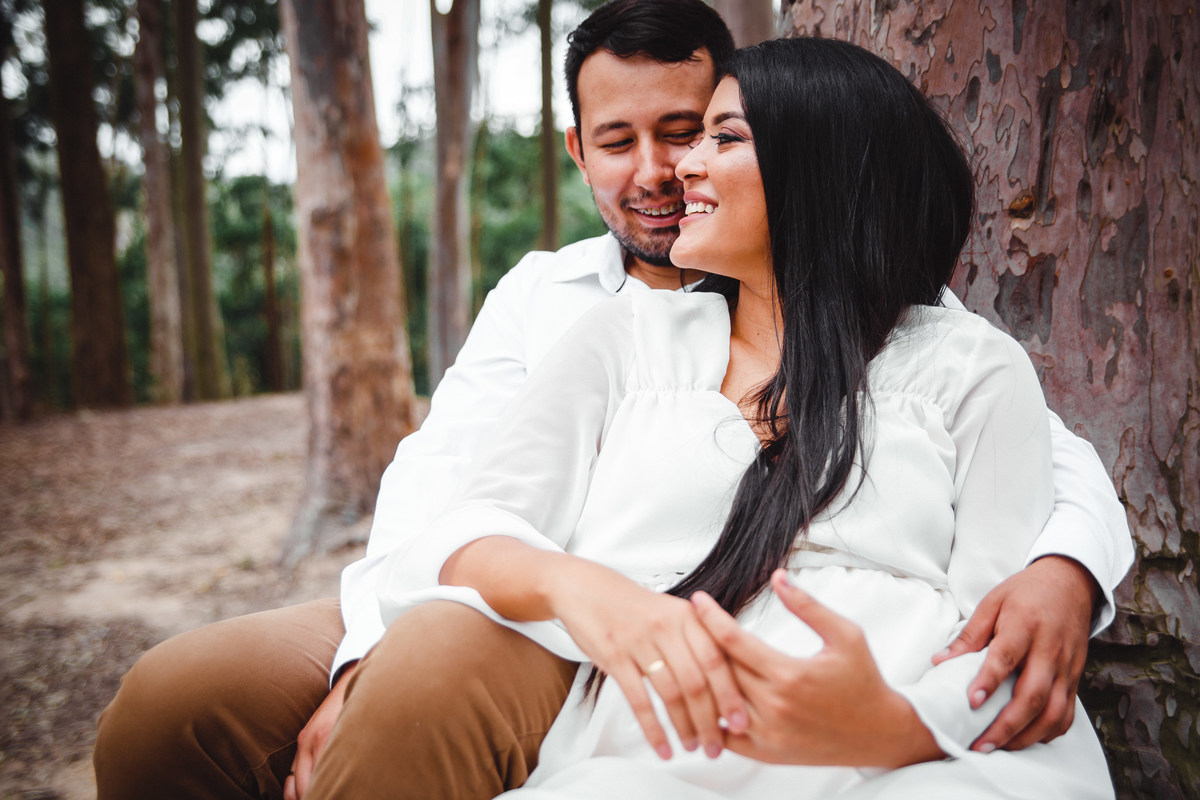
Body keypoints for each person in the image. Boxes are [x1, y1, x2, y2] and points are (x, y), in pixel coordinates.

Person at [92, 2, 1131, 798]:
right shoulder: (566, 303)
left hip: (683, 655)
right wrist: (373, 642)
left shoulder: (916, 331)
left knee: (428, 687)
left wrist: (1067, 567)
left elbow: (1026, 450)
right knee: (166, 708)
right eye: (621, 140)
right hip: (528, 601)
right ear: (576, 148)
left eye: (698, 130)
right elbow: (448, 486)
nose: (667, 170)